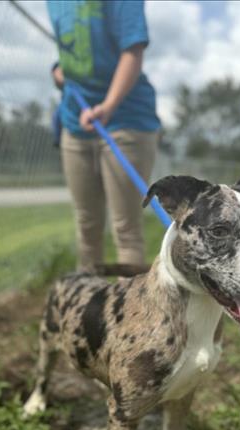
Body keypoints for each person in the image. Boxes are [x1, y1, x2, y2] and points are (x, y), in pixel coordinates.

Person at [46, 0, 161, 271]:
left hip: (126, 119)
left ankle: (130, 312)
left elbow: (132, 50)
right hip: (75, 121)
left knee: (126, 228)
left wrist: (108, 106)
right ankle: (87, 307)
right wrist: (58, 69)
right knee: (86, 224)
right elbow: (73, 49)